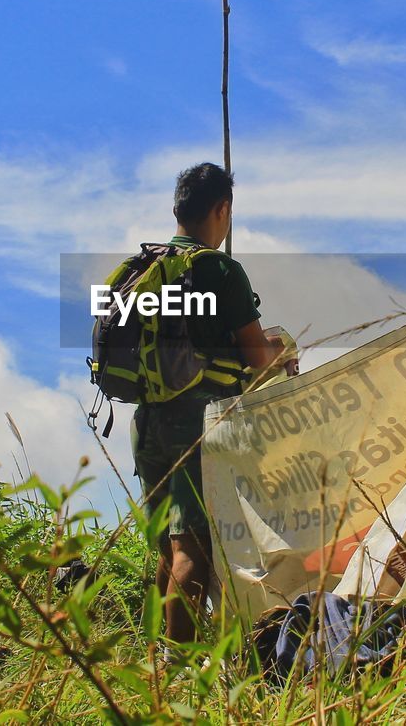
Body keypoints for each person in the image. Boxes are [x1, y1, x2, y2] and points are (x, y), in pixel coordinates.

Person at [131, 163, 284, 646]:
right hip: (197, 418)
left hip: (145, 419)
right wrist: (281, 348)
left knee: (166, 547)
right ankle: (179, 680)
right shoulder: (219, 269)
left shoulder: (144, 269)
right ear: (222, 209)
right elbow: (257, 357)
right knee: (192, 546)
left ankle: (154, 663)